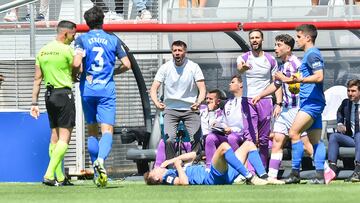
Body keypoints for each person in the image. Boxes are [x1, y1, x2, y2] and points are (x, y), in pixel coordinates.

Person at [73, 6, 131, 187]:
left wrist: (77, 72)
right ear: (102, 20)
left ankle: (97, 176)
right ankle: (101, 161)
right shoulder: (113, 40)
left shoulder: (81, 39)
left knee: (91, 130)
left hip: (87, 90)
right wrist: (113, 72)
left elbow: (76, 63)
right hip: (106, 90)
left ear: (87, 22)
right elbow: (127, 64)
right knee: (107, 131)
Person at [252, 34, 315, 181]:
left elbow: (300, 85)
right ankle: (272, 177)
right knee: (277, 141)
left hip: (296, 109)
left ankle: (324, 170)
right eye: (275, 45)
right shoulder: (281, 66)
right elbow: (276, 84)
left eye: (279, 45)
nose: (275, 48)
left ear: (288, 48)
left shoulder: (296, 64)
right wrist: (260, 95)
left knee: (306, 146)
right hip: (285, 110)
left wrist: (288, 81)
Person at [275, 24, 326, 184]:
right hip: (311, 102)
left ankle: (295, 173)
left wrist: (297, 79)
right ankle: (320, 175)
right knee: (315, 141)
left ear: (308, 37)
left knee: (293, 133)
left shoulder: (312, 55)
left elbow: (319, 77)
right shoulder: (310, 55)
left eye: (298, 37)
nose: (296, 40)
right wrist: (292, 80)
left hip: (312, 103)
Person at [30, 20, 77, 186]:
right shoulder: (68, 50)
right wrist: (80, 57)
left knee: (55, 136)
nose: (74, 37)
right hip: (64, 94)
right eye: (73, 34)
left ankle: (61, 178)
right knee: (65, 137)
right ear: (65, 33)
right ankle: (49, 175)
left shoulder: (42, 51)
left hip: (48, 96)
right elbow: (77, 68)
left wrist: (34, 103)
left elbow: (37, 78)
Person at [150, 40, 206, 161]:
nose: (177, 53)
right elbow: (153, 89)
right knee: (169, 140)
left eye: (179, 50)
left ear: (185, 52)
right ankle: (171, 167)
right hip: (170, 109)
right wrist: (156, 103)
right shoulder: (165, 67)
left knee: (196, 139)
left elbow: (202, 89)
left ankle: (194, 165)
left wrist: (198, 102)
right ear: (172, 52)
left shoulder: (193, 67)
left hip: (191, 109)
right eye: (174, 50)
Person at [236, 29, 280, 168]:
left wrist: (278, 103)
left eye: (257, 37)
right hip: (248, 100)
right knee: (250, 138)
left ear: (262, 40)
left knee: (264, 139)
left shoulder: (271, 59)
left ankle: (263, 169)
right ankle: (251, 171)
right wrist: (243, 68)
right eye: (252, 38)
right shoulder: (243, 58)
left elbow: (276, 83)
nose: (254, 40)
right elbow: (240, 69)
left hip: (265, 101)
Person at [144, 141, 270, 185]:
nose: (157, 168)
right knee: (224, 147)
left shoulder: (172, 170)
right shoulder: (167, 177)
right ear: (156, 177)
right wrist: (177, 165)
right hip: (212, 177)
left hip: (223, 175)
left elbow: (193, 155)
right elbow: (184, 182)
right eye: (154, 170)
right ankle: (250, 177)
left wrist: (171, 160)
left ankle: (264, 177)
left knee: (248, 144)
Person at [205, 75, 252, 168]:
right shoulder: (229, 103)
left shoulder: (247, 101)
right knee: (210, 137)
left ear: (241, 84)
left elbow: (247, 124)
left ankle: (236, 169)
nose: (229, 84)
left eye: (233, 82)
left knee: (232, 138)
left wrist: (232, 129)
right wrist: (218, 125)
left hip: (240, 135)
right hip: (227, 134)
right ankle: (210, 168)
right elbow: (224, 121)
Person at [327, 79, 360, 182]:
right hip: (352, 139)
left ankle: (358, 171)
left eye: (353, 91)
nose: (350, 94)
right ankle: (332, 170)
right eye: (348, 91)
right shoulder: (346, 103)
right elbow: (339, 113)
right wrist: (340, 124)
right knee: (334, 136)